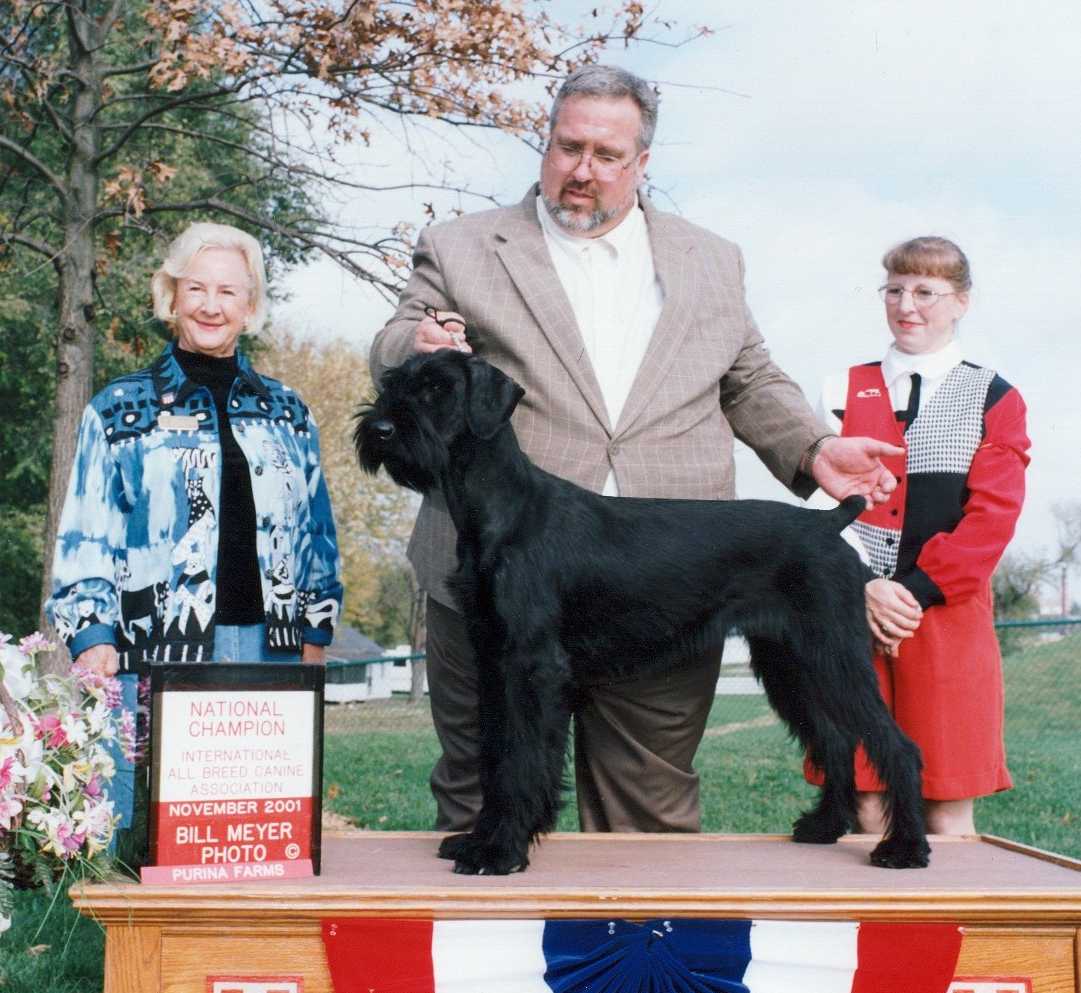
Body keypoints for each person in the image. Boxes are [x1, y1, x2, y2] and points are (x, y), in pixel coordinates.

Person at [369, 64, 902, 836]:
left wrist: (813, 447)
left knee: (646, 809)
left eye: (606, 155)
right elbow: (394, 336)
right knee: (479, 798)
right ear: (545, 144)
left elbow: (747, 376)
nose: (582, 170)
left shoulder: (709, 258)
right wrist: (411, 344)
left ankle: (642, 958)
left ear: (642, 163)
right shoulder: (461, 245)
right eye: (567, 146)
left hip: (665, 575)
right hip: (496, 555)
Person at [804, 235, 1030, 834]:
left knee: (946, 800)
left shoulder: (995, 396)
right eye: (896, 290)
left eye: (927, 292)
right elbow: (820, 506)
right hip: (855, 609)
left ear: (961, 302)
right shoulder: (841, 389)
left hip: (948, 616)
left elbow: (992, 518)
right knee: (863, 797)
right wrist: (864, 586)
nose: (908, 305)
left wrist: (917, 590)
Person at [47, 221, 343, 675]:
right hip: (149, 656)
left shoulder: (289, 412)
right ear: (173, 297)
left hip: (273, 652)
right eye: (196, 288)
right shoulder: (115, 409)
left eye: (227, 292)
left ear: (249, 305)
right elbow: (87, 536)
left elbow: (315, 536)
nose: (210, 306)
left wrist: (316, 636)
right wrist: (91, 637)